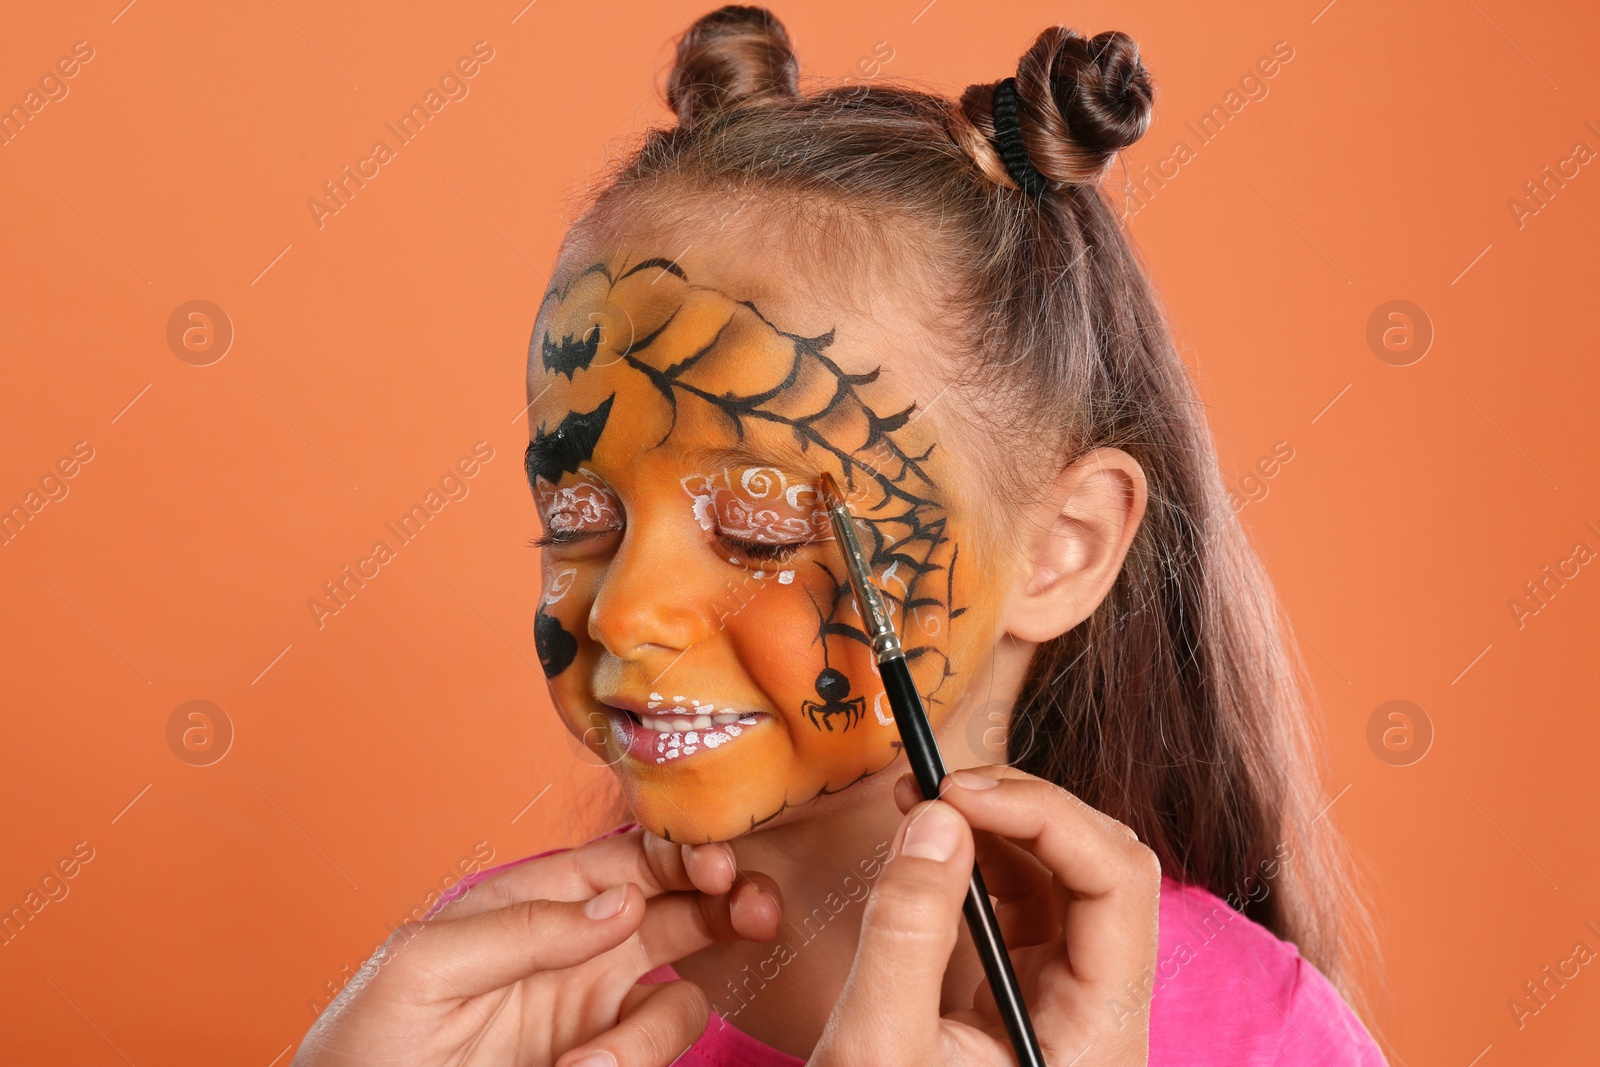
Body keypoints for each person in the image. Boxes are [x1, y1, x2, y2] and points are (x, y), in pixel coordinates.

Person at [291, 6, 1388, 1065]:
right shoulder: (482, 1015)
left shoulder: (1261, 1033)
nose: (624, 610)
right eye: (578, 518)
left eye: (759, 527)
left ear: (1062, 544)